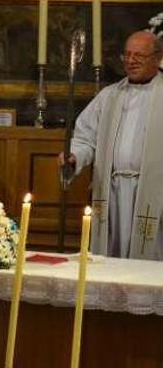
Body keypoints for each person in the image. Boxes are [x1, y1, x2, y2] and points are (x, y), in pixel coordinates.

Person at [60, 30, 163, 260]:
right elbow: (85, 137)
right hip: (111, 193)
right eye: (126, 55)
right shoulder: (109, 96)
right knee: (111, 255)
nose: (130, 61)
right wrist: (75, 156)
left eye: (139, 55)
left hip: (153, 193)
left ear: (157, 58)